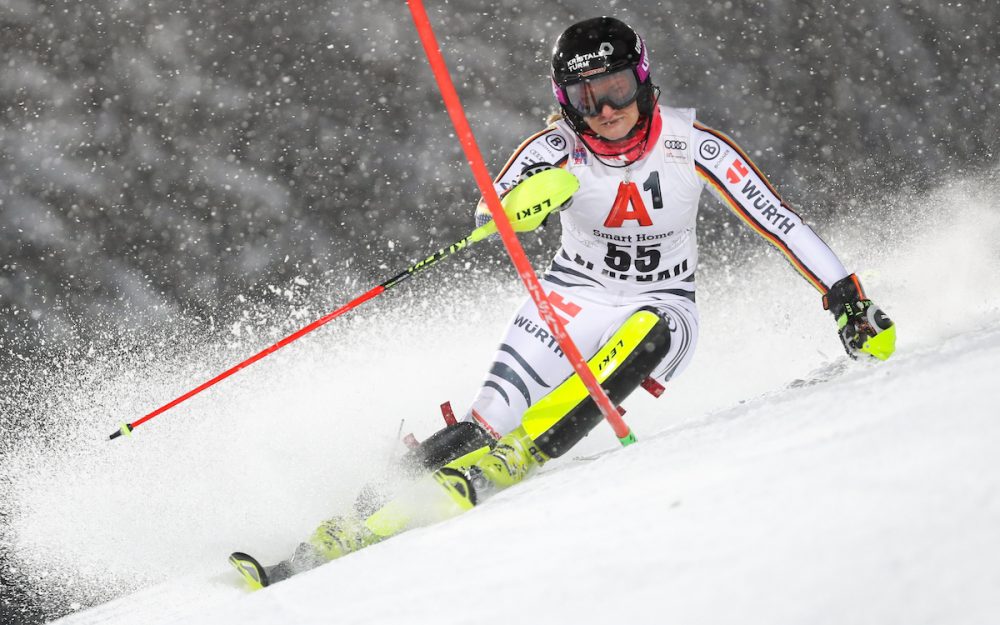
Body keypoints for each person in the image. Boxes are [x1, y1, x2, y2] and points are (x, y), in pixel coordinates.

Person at [230, 16, 896, 588]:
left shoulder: (692, 143)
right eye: (587, 96)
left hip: (663, 303)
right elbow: (492, 212)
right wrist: (526, 204)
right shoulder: (557, 147)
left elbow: (776, 217)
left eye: (616, 89)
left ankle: (528, 451)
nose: (606, 110)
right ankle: (341, 524)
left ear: (643, 79)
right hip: (568, 299)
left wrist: (845, 297)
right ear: (565, 100)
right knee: (481, 419)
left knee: (647, 331)